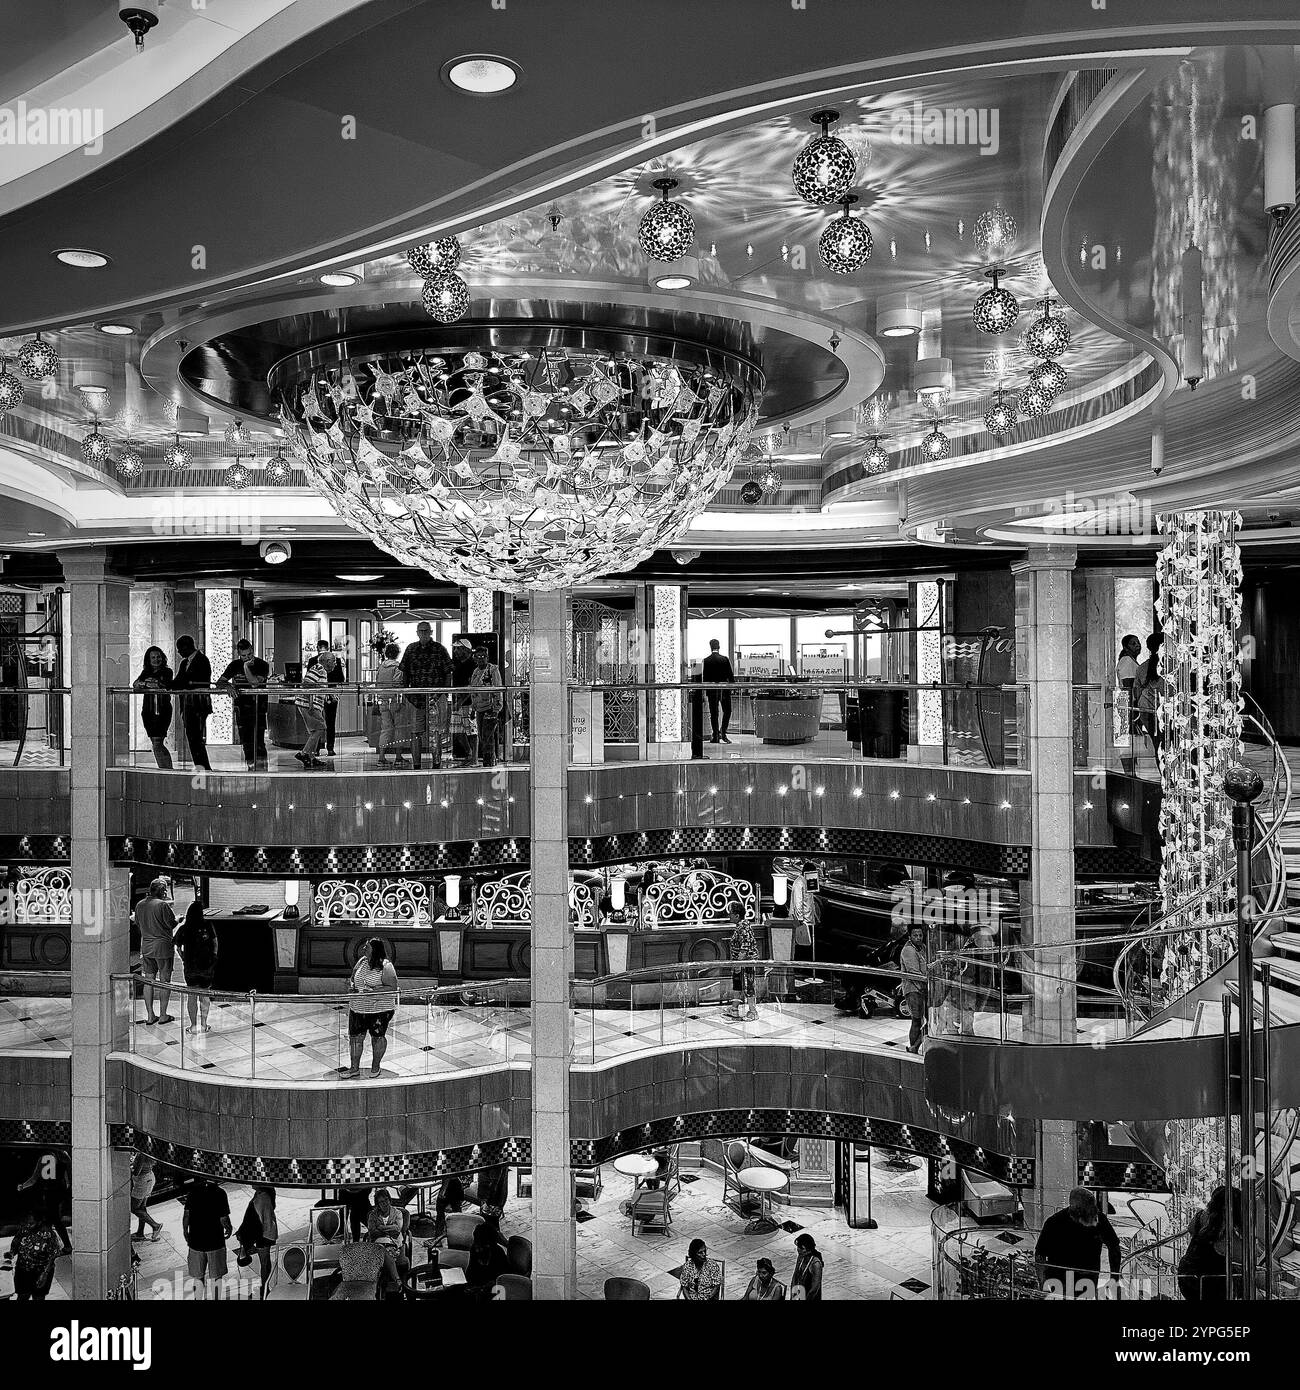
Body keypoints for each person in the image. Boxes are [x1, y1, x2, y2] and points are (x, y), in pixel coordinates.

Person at [1034, 1186, 1122, 1299]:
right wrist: (1043, 1285)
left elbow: (1114, 1246)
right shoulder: (1054, 1223)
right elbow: (1040, 1255)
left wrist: (1114, 1278)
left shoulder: (1099, 1219)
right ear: (1075, 1209)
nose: (1092, 1214)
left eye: (1093, 1209)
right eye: (1088, 1211)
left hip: (1088, 1280)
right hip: (1061, 1281)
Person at [399, 622, 452, 770]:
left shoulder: (439, 649)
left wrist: (444, 692)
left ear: (431, 632)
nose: (423, 633)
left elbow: (448, 671)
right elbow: (405, 672)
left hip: (436, 697)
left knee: (436, 732)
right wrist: (406, 692)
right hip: (415, 698)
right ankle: (416, 765)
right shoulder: (411, 649)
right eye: (421, 631)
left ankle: (437, 762)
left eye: (426, 631)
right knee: (415, 731)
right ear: (417, 633)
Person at [1178, 1185, 1243, 1302]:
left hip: (1186, 1277)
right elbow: (1243, 1255)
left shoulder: (1199, 1217)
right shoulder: (1225, 1235)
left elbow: (1191, 1230)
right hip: (1211, 1284)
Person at [347, 937, 398, 1078]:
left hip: (379, 1009)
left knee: (377, 1037)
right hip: (358, 1007)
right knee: (355, 1037)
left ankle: (375, 1067)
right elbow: (352, 978)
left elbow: (392, 988)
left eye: (367, 947)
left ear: (375, 950)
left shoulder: (386, 966)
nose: (364, 949)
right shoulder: (362, 962)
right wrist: (351, 987)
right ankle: (354, 1068)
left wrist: (374, 991)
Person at [134, 877, 177, 1026]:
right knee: (165, 980)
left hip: (146, 946)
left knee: (148, 980)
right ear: (163, 891)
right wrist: (179, 919)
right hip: (163, 947)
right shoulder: (162, 905)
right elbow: (171, 923)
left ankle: (150, 1015)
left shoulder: (139, 905)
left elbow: (138, 924)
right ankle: (163, 1014)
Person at [173, 899, 218, 1033]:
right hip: (206, 965)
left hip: (190, 966)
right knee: (204, 995)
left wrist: (183, 957)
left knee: (191, 995)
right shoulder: (208, 925)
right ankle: (204, 1024)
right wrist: (214, 956)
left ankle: (193, 1025)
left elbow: (177, 946)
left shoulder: (184, 928)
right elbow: (215, 942)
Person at [183, 1177, 232, 1298]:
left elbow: (186, 1215)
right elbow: (223, 1218)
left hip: (196, 1241)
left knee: (198, 1276)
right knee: (216, 1277)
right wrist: (229, 1228)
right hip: (215, 1241)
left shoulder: (193, 1192)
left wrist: (185, 1231)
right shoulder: (220, 1193)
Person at [172, 635, 213, 770]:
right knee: (192, 738)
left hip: (198, 705)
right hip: (187, 705)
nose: (178, 652)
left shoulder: (202, 660)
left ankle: (204, 767)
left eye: (180, 649)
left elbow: (194, 682)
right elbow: (178, 681)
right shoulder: (185, 663)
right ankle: (201, 766)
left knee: (196, 739)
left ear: (186, 647)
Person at [131, 645, 174, 769]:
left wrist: (147, 684)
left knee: (157, 741)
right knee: (155, 742)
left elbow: (161, 685)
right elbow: (136, 684)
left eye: (158, 656)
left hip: (162, 710)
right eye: (153, 657)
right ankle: (164, 769)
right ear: (148, 660)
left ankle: (167, 769)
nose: (156, 659)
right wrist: (146, 683)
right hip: (148, 710)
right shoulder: (146, 672)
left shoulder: (167, 671)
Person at [234, 1184, 279, 1298]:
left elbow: (256, 1219)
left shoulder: (262, 1197)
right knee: (265, 1262)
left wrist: (245, 1233)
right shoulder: (260, 1194)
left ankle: (264, 1288)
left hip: (263, 1233)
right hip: (263, 1232)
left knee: (264, 1262)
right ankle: (264, 1287)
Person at [8, 1210, 61, 1300]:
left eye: (31, 1223)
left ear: (39, 1222)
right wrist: (12, 1253)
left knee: (38, 1297)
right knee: (22, 1295)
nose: (28, 1225)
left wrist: (44, 1274)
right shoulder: (24, 1229)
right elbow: (16, 1242)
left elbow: (52, 1255)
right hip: (22, 1270)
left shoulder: (48, 1234)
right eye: (27, 1223)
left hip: (40, 1271)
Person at [294, 650, 333, 769]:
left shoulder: (322, 671)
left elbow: (317, 687)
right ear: (327, 661)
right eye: (333, 661)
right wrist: (311, 704)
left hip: (311, 705)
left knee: (316, 731)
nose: (335, 664)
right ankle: (304, 753)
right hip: (309, 705)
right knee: (320, 728)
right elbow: (307, 684)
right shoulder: (319, 668)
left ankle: (311, 757)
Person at [307, 639, 346, 757]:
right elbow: (341, 679)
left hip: (317, 695)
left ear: (318, 647)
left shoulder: (312, 661)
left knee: (317, 721)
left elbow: (308, 680)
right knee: (330, 721)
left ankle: (317, 748)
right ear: (328, 647)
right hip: (332, 694)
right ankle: (330, 748)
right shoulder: (337, 660)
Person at [1134, 633, 1168, 767]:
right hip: (1164, 711)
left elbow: (1136, 692)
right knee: (1169, 743)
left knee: (1157, 745)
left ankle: (1163, 776)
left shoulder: (1142, 667)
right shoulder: (1171, 667)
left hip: (1147, 710)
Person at [468, 646, 504, 767]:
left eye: (483, 656)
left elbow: (498, 689)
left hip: (490, 708)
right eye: (478, 657)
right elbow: (473, 691)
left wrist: (496, 708)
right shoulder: (475, 671)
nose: (480, 659)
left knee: (488, 737)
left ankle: (489, 762)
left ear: (487, 657)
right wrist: (473, 709)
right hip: (479, 708)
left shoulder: (493, 670)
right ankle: (487, 761)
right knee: (483, 737)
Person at [373, 641, 408, 768]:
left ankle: (381, 757)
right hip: (395, 700)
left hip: (383, 700)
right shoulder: (398, 667)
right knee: (399, 728)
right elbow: (398, 684)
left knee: (385, 729)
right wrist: (399, 699)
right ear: (397, 654)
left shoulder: (381, 667)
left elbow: (377, 684)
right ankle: (398, 757)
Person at [726, 902, 760, 1021]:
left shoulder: (743, 927)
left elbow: (744, 947)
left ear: (737, 915)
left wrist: (739, 964)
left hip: (746, 963)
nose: (729, 916)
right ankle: (734, 1009)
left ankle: (752, 1011)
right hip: (740, 963)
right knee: (738, 985)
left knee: (748, 985)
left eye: (730, 914)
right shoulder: (740, 926)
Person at [1114, 633, 1142, 775]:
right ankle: (1129, 774)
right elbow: (1128, 687)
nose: (1137, 645)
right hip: (1127, 705)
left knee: (1131, 742)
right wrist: (1132, 710)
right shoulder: (1127, 662)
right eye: (1133, 643)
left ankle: (1131, 773)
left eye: (1138, 642)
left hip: (1127, 705)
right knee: (1127, 741)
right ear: (1126, 647)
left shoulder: (1130, 661)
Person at [899, 923, 927, 1053]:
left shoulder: (923, 948)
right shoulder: (908, 950)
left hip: (924, 988)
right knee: (916, 1020)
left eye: (920, 935)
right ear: (910, 936)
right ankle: (914, 1047)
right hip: (913, 990)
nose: (918, 937)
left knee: (928, 1020)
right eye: (915, 935)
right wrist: (924, 986)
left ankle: (914, 1047)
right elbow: (913, 973)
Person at [702, 638, 735, 743]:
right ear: (719, 647)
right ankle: (723, 733)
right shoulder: (724, 659)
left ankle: (715, 735)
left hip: (712, 690)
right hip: (724, 690)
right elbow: (731, 677)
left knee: (714, 713)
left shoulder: (706, 660)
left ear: (710, 647)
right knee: (727, 711)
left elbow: (705, 678)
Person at [450, 637, 476, 765]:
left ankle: (474, 757)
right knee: (458, 732)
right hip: (458, 702)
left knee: (471, 731)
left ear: (465, 650)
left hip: (468, 703)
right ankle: (469, 753)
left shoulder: (472, 665)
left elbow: (471, 686)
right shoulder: (459, 665)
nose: (455, 652)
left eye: (458, 649)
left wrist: (460, 701)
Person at [464, 1221, 509, 1289]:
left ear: (490, 1245)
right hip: (476, 1285)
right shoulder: (474, 1248)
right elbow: (470, 1270)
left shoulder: (498, 1254)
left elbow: (499, 1280)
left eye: (482, 1246)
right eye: (476, 1243)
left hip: (493, 1288)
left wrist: (481, 1288)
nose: (477, 1249)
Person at [130, 1154, 163, 1242]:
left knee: (133, 1208)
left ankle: (155, 1225)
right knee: (142, 1208)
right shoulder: (149, 1151)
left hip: (142, 1182)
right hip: (149, 1178)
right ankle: (140, 1233)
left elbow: (136, 1172)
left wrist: (129, 1167)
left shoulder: (141, 1155)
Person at [475, 1164, 510, 1234]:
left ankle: (496, 1240)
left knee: (490, 1228)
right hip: (493, 1199)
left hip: (492, 1201)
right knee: (490, 1225)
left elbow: (493, 1183)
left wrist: (486, 1201)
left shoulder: (493, 1158)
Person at [791, 1233, 824, 1300]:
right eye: (798, 1247)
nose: (798, 1249)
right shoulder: (801, 1256)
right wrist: (793, 1296)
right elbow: (795, 1276)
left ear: (809, 1249)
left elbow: (815, 1288)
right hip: (800, 1293)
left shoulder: (815, 1264)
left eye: (802, 1248)